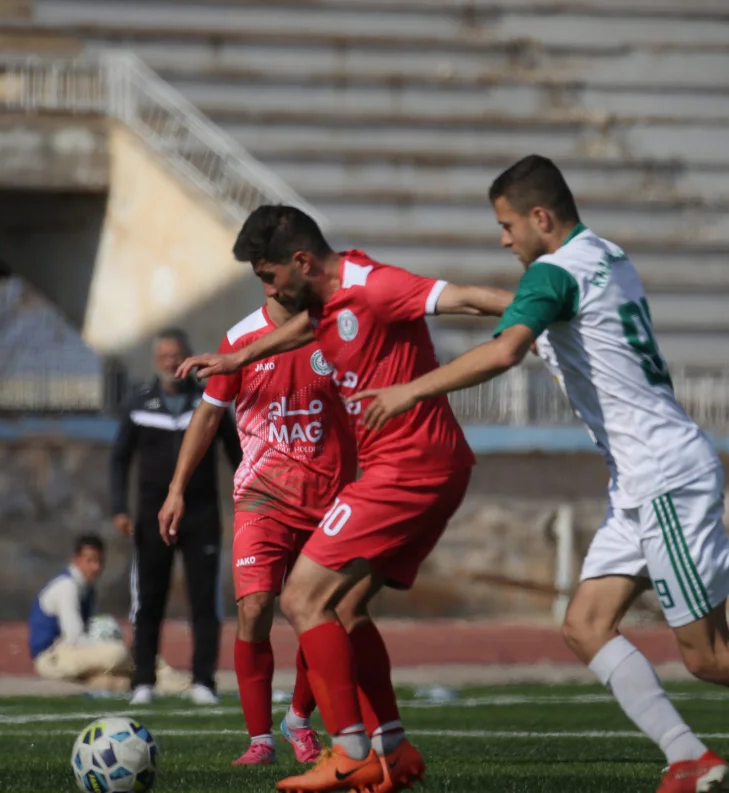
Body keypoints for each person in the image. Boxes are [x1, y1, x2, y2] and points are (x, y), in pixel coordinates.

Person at [351, 155, 729, 793]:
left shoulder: (552, 273)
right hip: (641, 481)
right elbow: (544, 319)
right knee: (586, 625)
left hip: (662, 476)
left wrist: (409, 391)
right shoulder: (608, 256)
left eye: (507, 226)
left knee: (709, 655)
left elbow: (505, 351)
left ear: (541, 217)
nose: (503, 240)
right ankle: (688, 757)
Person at [177, 205, 511, 793]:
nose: (270, 289)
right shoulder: (328, 299)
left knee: (303, 597)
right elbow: (312, 325)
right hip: (408, 467)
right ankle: (393, 748)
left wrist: (538, 310)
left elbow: (462, 297)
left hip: (407, 466)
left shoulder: (375, 285)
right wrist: (239, 358)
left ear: (301, 261)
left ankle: (349, 752)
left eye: (271, 276)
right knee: (346, 606)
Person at [158, 286, 355, 767]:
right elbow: (208, 415)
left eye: (278, 266)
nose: (272, 280)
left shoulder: (334, 330)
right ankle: (259, 740)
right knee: (255, 607)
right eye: (263, 269)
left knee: (323, 614)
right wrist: (176, 488)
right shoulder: (240, 339)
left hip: (329, 499)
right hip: (261, 497)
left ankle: (299, 719)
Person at [110, 328, 243, 706]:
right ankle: (143, 681)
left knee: (204, 599)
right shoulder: (139, 404)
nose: (171, 363)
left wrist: (249, 498)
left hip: (201, 515)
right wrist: (119, 507)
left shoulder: (208, 401)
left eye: (177, 355)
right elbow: (120, 459)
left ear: (188, 358)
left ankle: (203, 681)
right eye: (165, 356)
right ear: (156, 360)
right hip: (152, 516)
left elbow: (236, 453)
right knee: (148, 598)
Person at [29, 535, 131, 690]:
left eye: (99, 561)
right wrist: (105, 643)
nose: (95, 567)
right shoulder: (67, 586)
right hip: (52, 656)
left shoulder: (88, 589)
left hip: (70, 652)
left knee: (119, 681)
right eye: (89, 561)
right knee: (118, 653)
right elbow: (74, 637)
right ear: (76, 560)